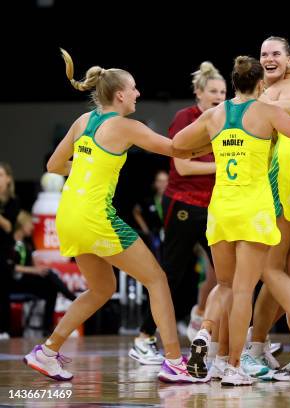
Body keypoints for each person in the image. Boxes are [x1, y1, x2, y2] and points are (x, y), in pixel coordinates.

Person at [173, 55, 290, 385]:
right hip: (253, 208)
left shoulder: (214, 114)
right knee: (245, 289)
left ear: (233, 83)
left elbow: (177, 146)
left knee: (224, 285)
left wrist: (207, 145)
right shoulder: (266, 112)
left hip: (220, 208)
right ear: (261, 84)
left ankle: (204, 334)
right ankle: (234, 367)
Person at [23, 49, 207, 383]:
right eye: (134, 88)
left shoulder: (84, 121)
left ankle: (47, 352)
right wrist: (217, 136)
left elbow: (52, 166)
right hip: (95, 217)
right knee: (157, 279)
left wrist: (89, 166)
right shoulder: (125, 126)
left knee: (101, 289)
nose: (138, 93)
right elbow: (177, 149)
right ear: (120, 94)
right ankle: (173, 360)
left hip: (69, 215)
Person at [131, 62, 225, 365]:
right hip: (184, 203)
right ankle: (144, 337)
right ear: (198, 93)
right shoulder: (185, 118)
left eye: (223, 92)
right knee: (171, 273)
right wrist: (226, 165)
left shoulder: (228, 120)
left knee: (229, 276)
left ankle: (230, 342)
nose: (219, 96)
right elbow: (182, 166)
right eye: (213, 91)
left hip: (215, 206)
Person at [10, 211, 77, 335]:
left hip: (25, 281)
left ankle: (47, 328)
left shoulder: (27, 244)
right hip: (11, 282)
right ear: (21, 224)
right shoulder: (9, 243)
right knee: (49, 276)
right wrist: (34, 270)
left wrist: (38, 268)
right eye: (29, 223)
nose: (32, 227)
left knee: (50, 288)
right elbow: (10, 267)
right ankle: (73, 298)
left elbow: (31, 264)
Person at [0, 162, 20, 340]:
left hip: (4, 253)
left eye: (0, 175)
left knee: (2, 290)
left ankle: (4, 329)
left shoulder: (13, 202)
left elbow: (7, 227)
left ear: (8, 179)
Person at [131, 169, 167, 260]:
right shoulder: (149, 200)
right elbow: (136, 211)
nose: (163, 184)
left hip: (171, 237)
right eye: (160, 181)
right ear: (155, 183)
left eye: (166, 181)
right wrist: (146, 230)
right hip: (155, 237)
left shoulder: (174, 201)